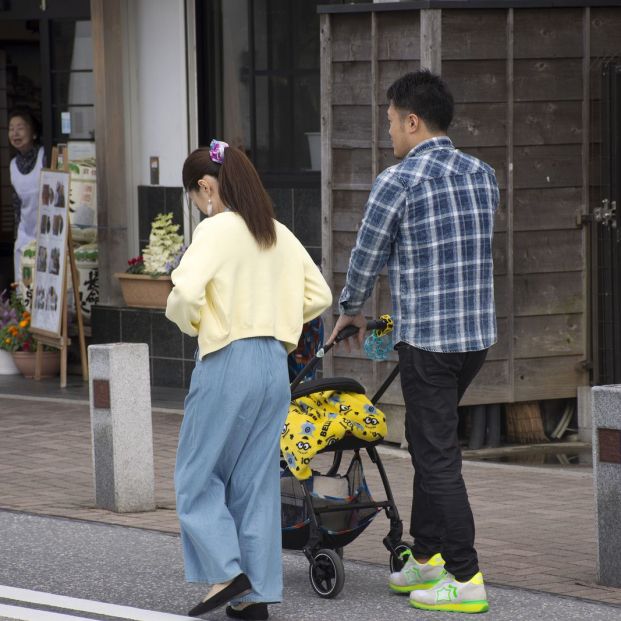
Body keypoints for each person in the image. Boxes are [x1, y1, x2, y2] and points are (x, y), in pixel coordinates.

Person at [328, 71, 499, 614]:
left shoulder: (398, 180)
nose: (390, 136)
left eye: (390, 124)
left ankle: (465, 578)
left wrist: (351, 309)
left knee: (436, 454)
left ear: (411, 120)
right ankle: (425, 557)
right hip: (475, 339)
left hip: (428, 341)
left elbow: (367, 255)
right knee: (433, 446)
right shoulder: (483, 174)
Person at [166, 140, 332, 620]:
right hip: (272, 366)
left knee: (196, 476)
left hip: (228, 359)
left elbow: (183, 294)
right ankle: (252, 598)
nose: (199, 206)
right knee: (254, 484)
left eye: (195, 197)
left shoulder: (215, 231)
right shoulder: (276, 231)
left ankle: (225, 573)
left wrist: (196, 322)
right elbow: (318, 294)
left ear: (206, 187)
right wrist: (279, 319)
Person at [8, 107, 45, 283]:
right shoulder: (13, 165)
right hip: (25, 233)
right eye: (11, 128)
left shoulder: (44, 157)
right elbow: (17, 206)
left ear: (34, 133)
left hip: (46, 231)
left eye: (20, 127)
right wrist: (18, 236)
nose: (15, 133)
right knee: (24, 284)